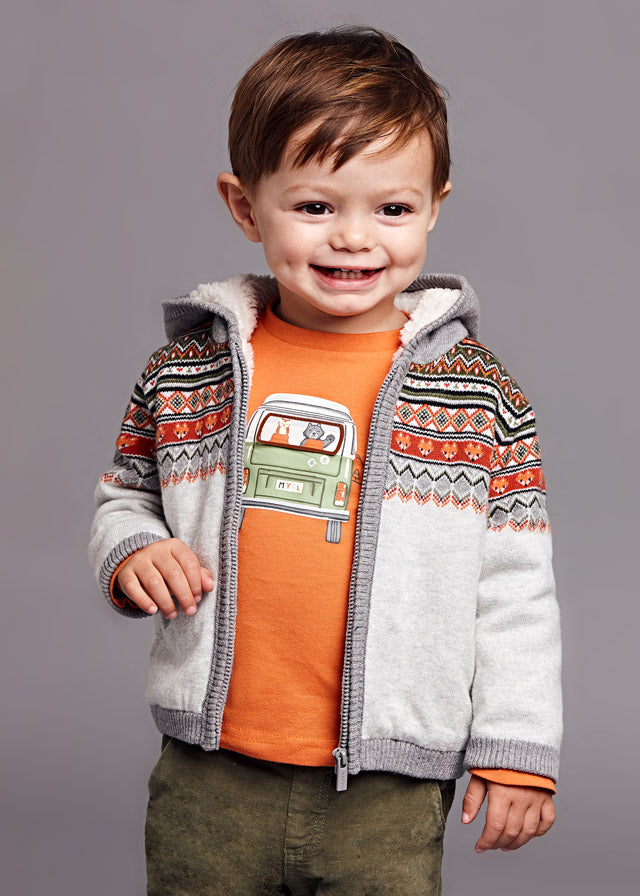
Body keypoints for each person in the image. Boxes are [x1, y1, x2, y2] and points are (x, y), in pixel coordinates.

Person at [89, 26, 562, 895]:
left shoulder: (477, 394)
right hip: (211, 774)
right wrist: (134, 551)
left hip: (387, 788)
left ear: (435, 207)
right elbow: (126, 495)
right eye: (314, 207)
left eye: (392, 210)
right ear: (245, 206)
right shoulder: (190, 370)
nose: (353, 237)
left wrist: (519, 750)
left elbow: (515, 588)